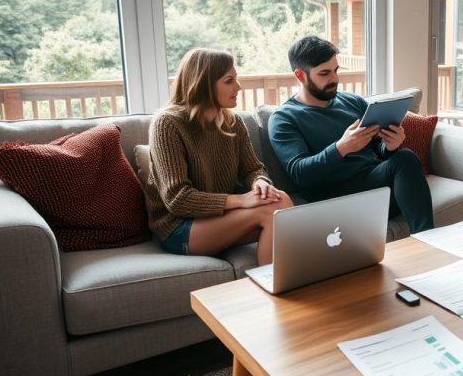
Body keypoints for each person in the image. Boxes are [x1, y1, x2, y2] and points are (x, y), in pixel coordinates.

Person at [268, 36, 434, 234]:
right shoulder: (284, 118)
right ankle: (428, 238)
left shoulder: (352, 101)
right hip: (337, 201)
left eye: (336, 70)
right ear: (300, 75)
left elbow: (378, 149)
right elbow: (300, 174)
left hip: (376, 187)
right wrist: (342, 148)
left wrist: (390, 146)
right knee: (404, 160)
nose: (335, 79)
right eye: (325, 73)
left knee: (404, 156)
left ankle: (428, 240)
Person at [145, 48, 292, 265]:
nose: (238, 87)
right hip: (180, 226)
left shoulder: (233, 121)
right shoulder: (167, 124)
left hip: (218, 217)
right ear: (204, 84)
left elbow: (253, 168)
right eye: (229, 80)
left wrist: (260, 182)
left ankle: (292, 286)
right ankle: (272, 289)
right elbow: (178, 199)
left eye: (236, 79)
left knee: (282, 200)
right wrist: (242, 200)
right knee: (271, 213)